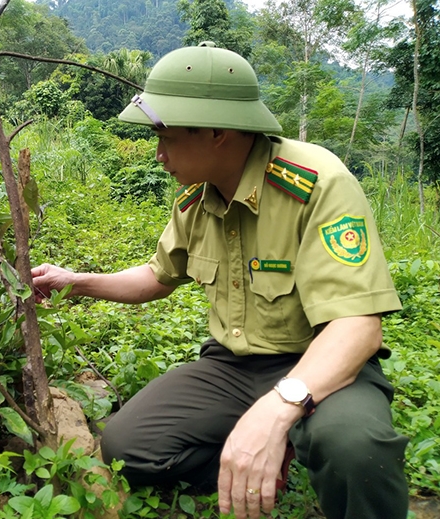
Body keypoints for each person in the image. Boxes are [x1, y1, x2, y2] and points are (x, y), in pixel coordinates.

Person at [31, 42, 408, 519]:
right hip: (231, 368)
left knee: (356, 447)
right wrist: (74, 281)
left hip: (324, 364)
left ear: (217, 131)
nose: (158, 153)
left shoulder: (317, 182)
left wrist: (279, 407)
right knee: (129, 447)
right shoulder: (196, 200)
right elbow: (156, 277)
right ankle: (258, 464)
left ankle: (295, 444)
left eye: (165, 135)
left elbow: (359, 326)